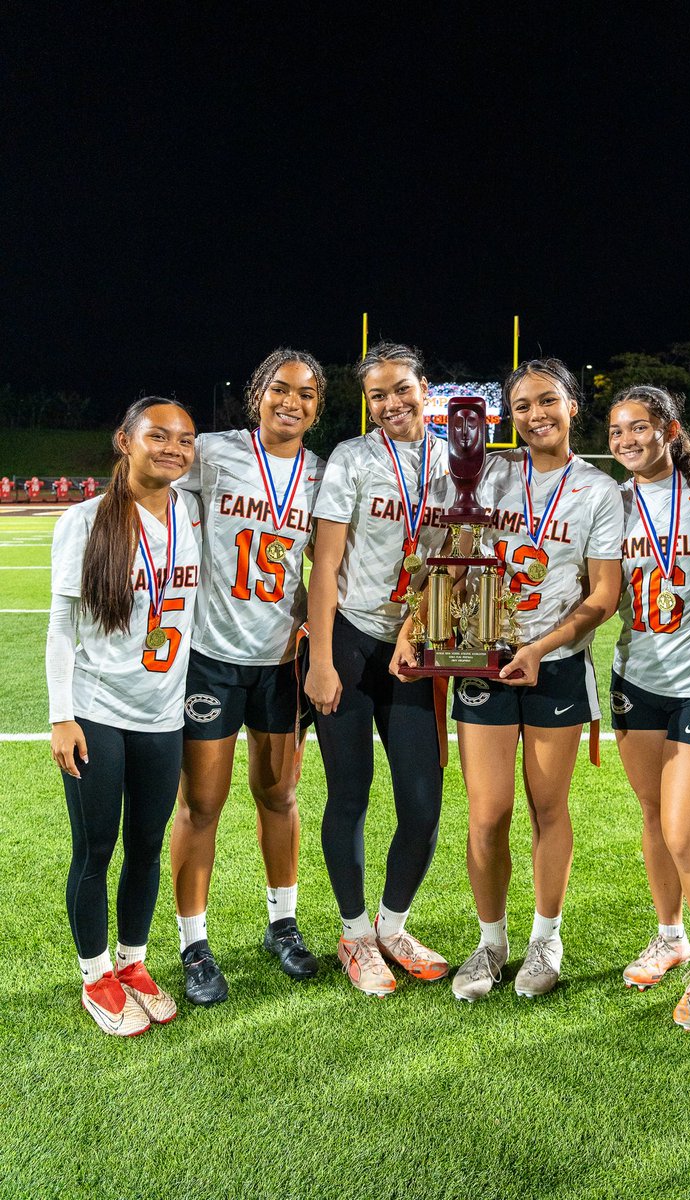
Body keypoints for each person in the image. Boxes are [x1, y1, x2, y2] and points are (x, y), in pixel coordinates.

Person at [436, 358, 622, 1001]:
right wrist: (424, 625)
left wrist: (543, 645)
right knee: (487, 813)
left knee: (548, 806)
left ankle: (547, 935)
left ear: (573, 408)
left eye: (548, 401)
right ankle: (491, 941)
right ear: (508, 417)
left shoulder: (597, 490)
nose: (535, 414)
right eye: (522, 405)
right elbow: (456, 558)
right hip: (483, 658)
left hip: (557, 665)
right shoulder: (486, 475)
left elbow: (603, 595)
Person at [170, 348, 326, 1006]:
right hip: (210, 653)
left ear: (319, 409)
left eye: (309, 395)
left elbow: (333, 561)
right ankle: (193, 942)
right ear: (258, 393)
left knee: (280, 797)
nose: (293, 402)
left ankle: (281, 924)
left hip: (281, 661)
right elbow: (156, 509)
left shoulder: (322, 473)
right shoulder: (209, 452)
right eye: (282, 389)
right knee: (202, 803)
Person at [46, 398, 200, 1036]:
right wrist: (62, 716)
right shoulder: (85, 522)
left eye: (184, 439)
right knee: (97, 846)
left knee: (144, 846)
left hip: (163, 714)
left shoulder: (187, 510)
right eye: (157, 435)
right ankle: (95, 971)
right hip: (98, 709)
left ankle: (135, 963)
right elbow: (60, 630)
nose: (173, 447)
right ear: (125, 441)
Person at [305, 341, 452, 997]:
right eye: (377, 395)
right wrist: (320, 659)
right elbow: (326, 564)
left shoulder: (459, 459)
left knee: (422, 806)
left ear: (426, 388)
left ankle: (393, 926)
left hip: (415, 650)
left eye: (400, 389)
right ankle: (355, 934)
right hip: (353, 643)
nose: (390, 404)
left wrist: (429, 634)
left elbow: (459, 562)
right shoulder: (352, 458)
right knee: (351, 795)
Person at [607, 386, 690, 1030]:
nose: (627, 439)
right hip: (637, 679)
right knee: (656, 819)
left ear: (670, 429)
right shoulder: (612, 503)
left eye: (639, 427)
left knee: (688, 832)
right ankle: (670, 933)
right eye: (616, 429)